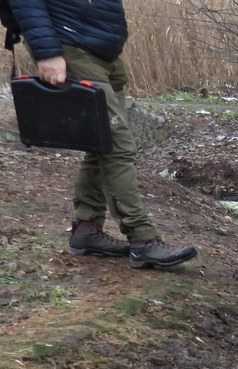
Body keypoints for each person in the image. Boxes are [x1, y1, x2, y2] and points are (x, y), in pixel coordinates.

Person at [10, 0, 197, 269]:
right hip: (71, 45)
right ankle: (143, 239)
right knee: (117, 146)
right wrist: (46, 52)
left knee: (101, 142)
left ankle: (86, 229)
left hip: (101, 50)